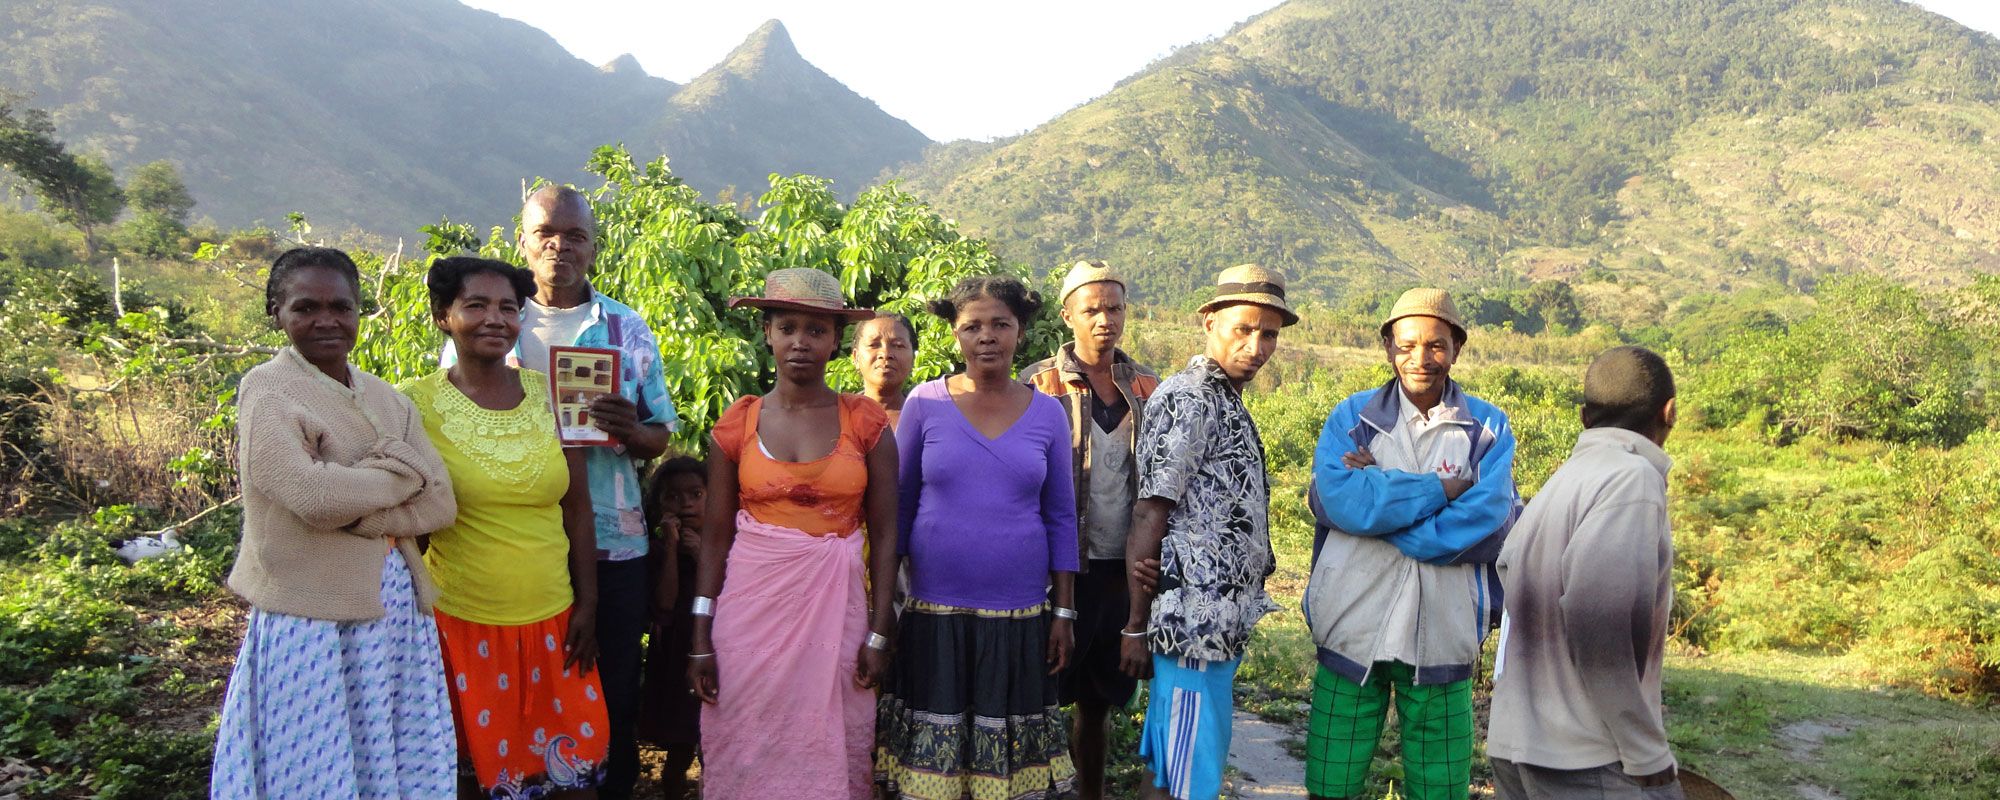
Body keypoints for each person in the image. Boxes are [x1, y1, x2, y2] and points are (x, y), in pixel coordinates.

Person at [440, 185, 678, 800]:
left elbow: (663, 435)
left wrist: (631, 431)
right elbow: (451, 414)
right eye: (546, 231)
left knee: (612, 689)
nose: (559, 245)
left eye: (574, 235)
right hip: (512, 551)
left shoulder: (627, 328)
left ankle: (611, 787)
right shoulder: (487, 320)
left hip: (612, 541)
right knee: (522, 690)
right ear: (522, 240)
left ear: (594, 247)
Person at [212, 246, 458, 799]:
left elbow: (440, 504)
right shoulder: (268, 389)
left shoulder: (389, 399)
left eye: (341, 306)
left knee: (387, 753)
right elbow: (312, 495)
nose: (326, 320)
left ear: (358, 311)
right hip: (309, 614)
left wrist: (357, 506)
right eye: (305, 307)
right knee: (312, 764)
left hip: (393, 612)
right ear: (276, 312)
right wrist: (400, 476)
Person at [684, 268, 900, 799]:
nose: (800, 342)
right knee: (746, 740)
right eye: (787, 328)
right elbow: (715, 539)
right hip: (748, 618)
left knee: (830, 739)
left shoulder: (864, 423)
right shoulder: (738, 425)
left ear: (834, 342)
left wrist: (878, 633)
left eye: (816, 330)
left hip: (839, 615)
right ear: (768, 334)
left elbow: (888, 534)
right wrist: (699, 636)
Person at [404, 256, 609, 799]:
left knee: (575, 779)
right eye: (476, 305)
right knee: (474, 779)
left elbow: (579, 508)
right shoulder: (410, 405)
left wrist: (588, 604)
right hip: (461, 625)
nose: (494, 319)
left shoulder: (561, 392)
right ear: (443, 315)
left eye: (507, 308)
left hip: (555, 621)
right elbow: (406, 521)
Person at [1302, 288, 1519, 800]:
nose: (1420, 358)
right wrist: (1442, 491)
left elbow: (1489, 520)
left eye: (1436, 345)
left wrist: (1382, 500)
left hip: (1445, 627)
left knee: (1440, 786)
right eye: (1407, 345)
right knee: (1331, 781)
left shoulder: (1486, 428)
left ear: (1457, 348)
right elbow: (1339, 499)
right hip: (1350, 620)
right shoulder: (1352, 418)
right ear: (1387, 347)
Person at [878, 275, 1081, 800]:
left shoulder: (1049, 415)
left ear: (1020, 331)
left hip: (1017, 620)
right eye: (972, 326)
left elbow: (1061, 517)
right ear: (954, 336)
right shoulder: (925, 404)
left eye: (1000, 324)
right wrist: (885, 612)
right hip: (932, 616)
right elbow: (897, 511)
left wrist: (1063, 613)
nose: (986, 336)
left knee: (1006, 777)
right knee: (933, 773)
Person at [1120, 264, 1292, 800]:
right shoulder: (1191, 396)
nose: (1256, 346)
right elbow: (1150, 511)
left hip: (1216, 621)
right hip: (1194, 618)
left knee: (1171, 762)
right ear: (1210, 321)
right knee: (1191, 770)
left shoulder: (1224, 399)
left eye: (1268, 334)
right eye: (1243, 329)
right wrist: (1134, 625)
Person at [1487, 347, 1684, 800]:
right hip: (1585, 757)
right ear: (1669, 412)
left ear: (1584, 417)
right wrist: (1647, 752)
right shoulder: (1631, 480)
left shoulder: (1565, 480)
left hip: (1517, 743)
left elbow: (1507, 570)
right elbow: (1598, 623)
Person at [1019, 260, 1160, 800]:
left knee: (1100, 698)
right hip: (1058, 566)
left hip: (1121, 568)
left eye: (1115, 307)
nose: (1106, 319)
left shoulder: (1148, 385)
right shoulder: (1036, 383)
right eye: (1093, 309)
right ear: (1067, 315)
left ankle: (1091, 795)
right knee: (1041, 691)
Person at [637, 456, 707, 800]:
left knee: (716, 741)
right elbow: (664, 603)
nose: (686, 504)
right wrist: (673, 549)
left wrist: (703, 556)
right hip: (676, 652)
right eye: (673, 497)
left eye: (696, 494)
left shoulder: (728, 543)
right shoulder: (657, 550)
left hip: (715, 648)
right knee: (680, 740)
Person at [852, 311, 917, 426]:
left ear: (913, 358)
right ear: (856, 357)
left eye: (898, 345)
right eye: (873, 345)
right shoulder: (837, 416)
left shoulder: (927, 418)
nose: (885, 353)